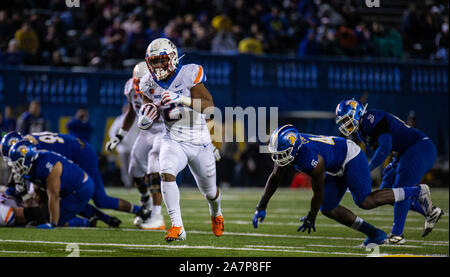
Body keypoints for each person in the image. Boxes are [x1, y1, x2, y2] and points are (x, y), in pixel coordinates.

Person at [252, 124, 434, 248]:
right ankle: (375, 235)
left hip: (350, 156)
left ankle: (417, 191)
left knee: (365, 201)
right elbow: (275, 177)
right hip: (335, 163)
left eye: (282, 153)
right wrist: (261, 206)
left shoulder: (311, 160)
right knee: (329, 208)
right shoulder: (293, 150)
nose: (278, 158)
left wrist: (311, 216)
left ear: (294, 148)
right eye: (277, 153)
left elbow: (318, 191)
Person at [137, 38, 224, 242]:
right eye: (154, 61)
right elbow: (149, 109)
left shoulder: (189, 74)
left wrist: (181, 99)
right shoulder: (147, 83)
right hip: (173, 138)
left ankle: (216, 212)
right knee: (166, 172)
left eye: (161, 60)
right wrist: (146, 117)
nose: (158, 66)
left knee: (210, 192)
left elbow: (209, 107)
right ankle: (177, 226)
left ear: (173, 58)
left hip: (200, 141)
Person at [335, 99, 444, 243]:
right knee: (386, 192)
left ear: (357, 114)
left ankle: (397, 235)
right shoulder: (362, 131)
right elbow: (391, 145)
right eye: (343, 122)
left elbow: (385, 146)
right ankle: (429, 212)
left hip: (419, 147)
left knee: (400, 187)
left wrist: (366, 170)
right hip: (404, 152)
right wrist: (393, 162)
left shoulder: (369, 119)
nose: (345, 125)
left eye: (347, 121)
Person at [1, 131, 148, 227]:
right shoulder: (25, 147)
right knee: (55, 196)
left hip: (81, 153)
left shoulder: (30, 152)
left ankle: (140, 211)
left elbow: (50, 177)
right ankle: (99, 218)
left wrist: (18, 192)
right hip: (69, 154)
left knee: (100, 199)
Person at [105, 61, 165, 230]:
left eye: (142, 81)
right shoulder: (130, 87)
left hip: (162, 130)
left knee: (153, 167)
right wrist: (119, 136)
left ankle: (157, 216)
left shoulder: (159, 88)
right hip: (146, 132)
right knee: (133, 169)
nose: (139, 85)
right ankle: (145, 202)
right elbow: (132, 112)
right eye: (137, 81)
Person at [8, 140, 95, 228]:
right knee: (42, 210)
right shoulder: (33, 163)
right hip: (66, 187)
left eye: (18, 164)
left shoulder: (47, 166)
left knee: (58, 220)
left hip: (81, 187)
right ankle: (100, 216)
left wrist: (52, 224)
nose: (16, 168)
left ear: (28, 160)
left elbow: (54, 195)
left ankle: (87, 222)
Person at [107, 103, 140, 188]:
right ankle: (128, 184)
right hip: (123, 148)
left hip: (134, 147)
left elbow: (142, 132)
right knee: (125, 167)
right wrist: (117, 141)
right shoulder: (119, 120)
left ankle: (134, 183)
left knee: (134, 167)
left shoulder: (137, 119)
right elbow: (112, 132)